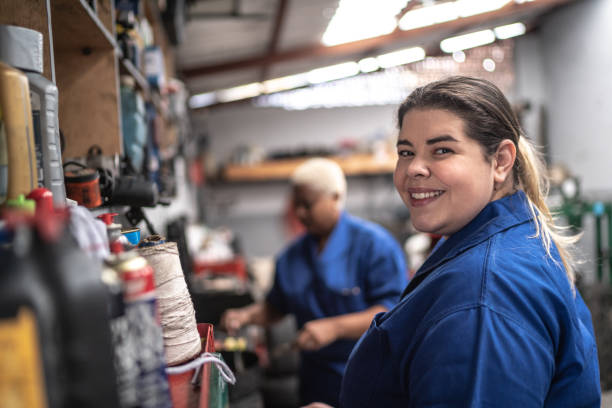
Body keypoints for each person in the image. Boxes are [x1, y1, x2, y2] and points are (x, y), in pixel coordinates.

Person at [307, 76, 601, 407]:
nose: (414, 168)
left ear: (501, 161)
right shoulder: (506, 240)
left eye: (442, 150)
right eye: (406, 152)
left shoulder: (483, 294)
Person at [220, 157, 408, 406]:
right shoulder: (291, 256)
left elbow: (393, 313)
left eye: (307, 205)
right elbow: (276, 306)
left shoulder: (375, 247)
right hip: (317, 381)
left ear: (335, 198)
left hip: (370, 376)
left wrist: (335, 327)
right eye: (296, 205)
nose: (299, 213)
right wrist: (246, 316)